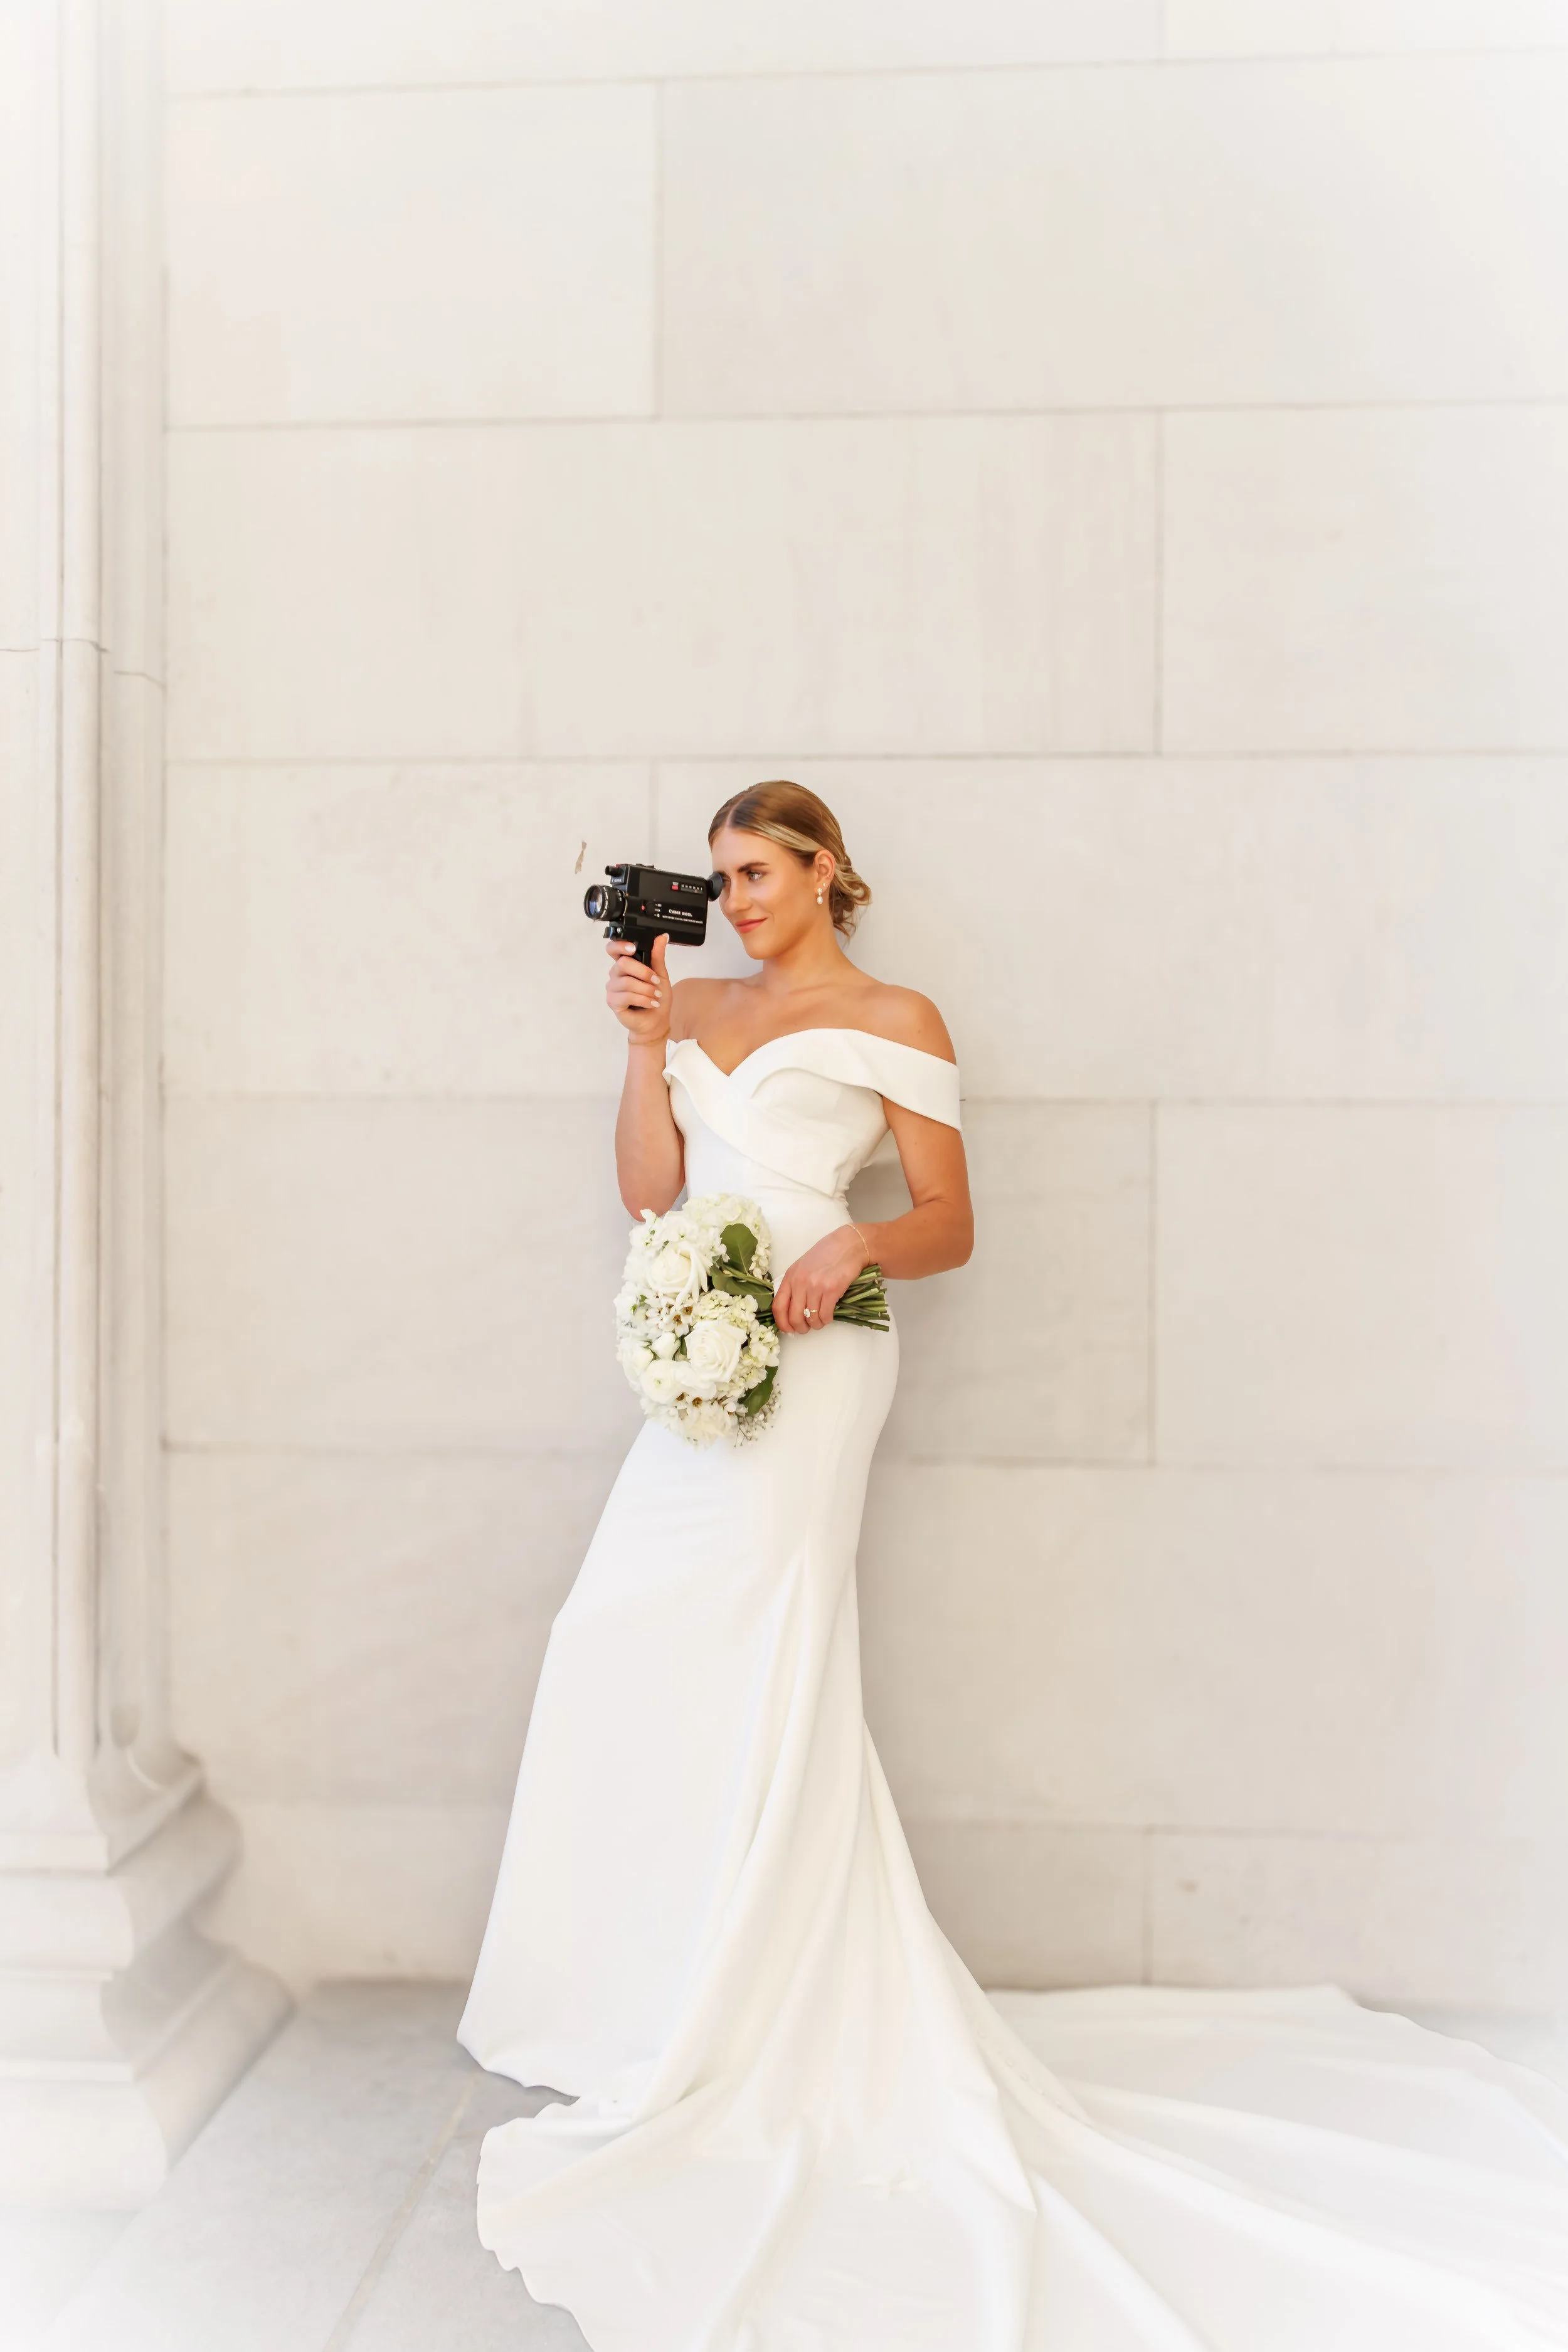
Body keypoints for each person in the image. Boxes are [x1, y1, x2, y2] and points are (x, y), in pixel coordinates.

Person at [458, 781, 1568, 2349]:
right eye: (722, 877)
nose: (740, 899)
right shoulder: (691, 1001)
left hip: (818, 1361)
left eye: (761, 871)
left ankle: (745, 2016)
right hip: (695, 1365)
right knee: (623, 1640)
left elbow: (947, 1219)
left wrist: (846, 1243)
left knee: (770, 1655)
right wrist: (642, 1043)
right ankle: (636, 1997)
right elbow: (650, 1192)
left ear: (828, 870)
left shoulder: (896, 1011)